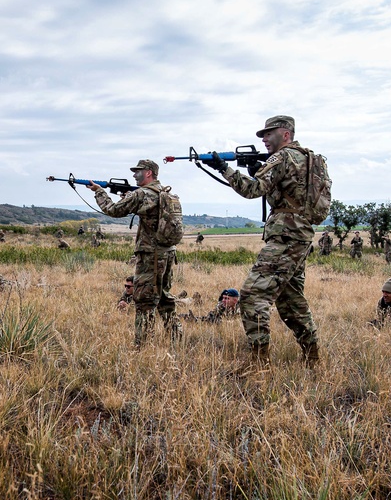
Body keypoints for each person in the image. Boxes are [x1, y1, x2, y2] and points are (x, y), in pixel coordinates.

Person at [202, 115, 321, 368]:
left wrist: (224, 168)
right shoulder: (309, 158)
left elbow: (251, 190)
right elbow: (291, 192)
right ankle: (312, 359)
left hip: (285, 236)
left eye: (269, 134)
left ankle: (259, 364)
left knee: (253, 296)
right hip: (301, 234)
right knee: (291, 301)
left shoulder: (282, 157)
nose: (265, 139)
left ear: (286, 134)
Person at [88, 159, 182, 346]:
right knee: (164, 298)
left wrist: (99, 192)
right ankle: (176, 339)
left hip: (150, 255)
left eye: (138, 171)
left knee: (144, 301)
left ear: (148, 173)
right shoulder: (165, 193)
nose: (134, 175)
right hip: (168, 253)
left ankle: (143, 347)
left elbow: (112, 210)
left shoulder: (141, 194)